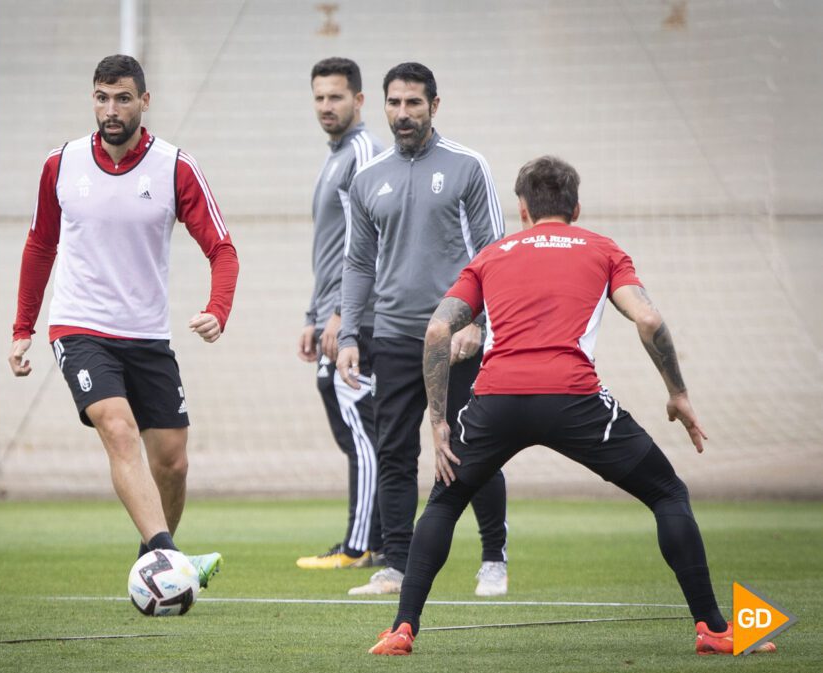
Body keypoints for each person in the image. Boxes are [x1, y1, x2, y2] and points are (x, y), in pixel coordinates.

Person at [368, 156, 777, 656]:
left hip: (496, 401)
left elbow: (436, 331)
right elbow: (648, 320)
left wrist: (437, 422)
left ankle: (401, 631)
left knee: (446, 502)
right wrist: (678, 393)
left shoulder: (493, 254)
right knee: (668, 493)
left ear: (521, 209)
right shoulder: (603, 249)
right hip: (574, 399)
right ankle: (714, 630)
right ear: (576, 207)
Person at [8, 55, 238, 588]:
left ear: (144, 101)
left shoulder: (175, 167)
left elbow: (222, 249)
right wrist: (24, 329)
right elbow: (40, 245)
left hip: (148, 333)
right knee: (117, 425)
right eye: (102, 98)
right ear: (93, 99)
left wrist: (217, 309)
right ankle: (167, 559)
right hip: (80, 326)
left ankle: (153, 560)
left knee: (173, 462)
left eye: (123, 98)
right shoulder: (60, 164)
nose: (111, 109)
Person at [336, 62, 510, 596]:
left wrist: (477, 323)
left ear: (435, 105)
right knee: (394, 450)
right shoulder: (367, 178)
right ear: (382, 107)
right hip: (391, 336)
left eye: (414, 103)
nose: (403, 113)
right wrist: (347, 337)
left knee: (469, 445)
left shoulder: (467, 167)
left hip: (456, 339)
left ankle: (493, 558)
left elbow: (493, 253)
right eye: (395, 103)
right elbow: (357, 264)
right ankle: (396, 564)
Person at [295, 57, 386, 571]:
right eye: (319, 97)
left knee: (362, 428)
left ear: (358, 100)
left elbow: (364, 242)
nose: (326, 106)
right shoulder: (334, 156)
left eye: (336, 97)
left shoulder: (364, 152)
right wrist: (314, 315)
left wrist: (339, 316)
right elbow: (330, 248)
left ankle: (362, 545)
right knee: (353, 427)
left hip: (358, 319)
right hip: (334, 314)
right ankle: (367, 538)